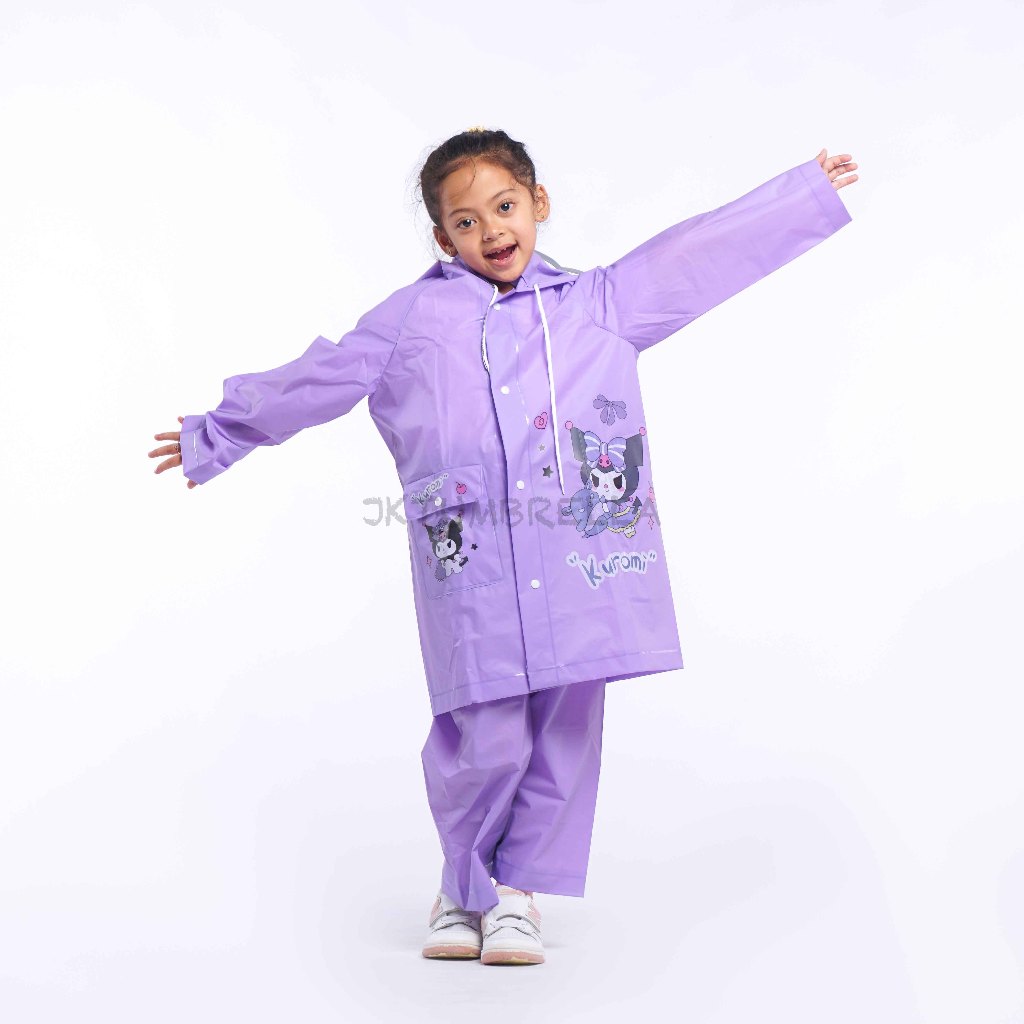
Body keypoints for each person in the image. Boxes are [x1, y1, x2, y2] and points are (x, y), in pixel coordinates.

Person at [149, 127, 858, 966]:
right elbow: (328, 374)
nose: (490, 230)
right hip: (475, 568)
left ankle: (515, 893)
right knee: (481, 736)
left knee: (562, 736)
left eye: (505, 206)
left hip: (578, 566)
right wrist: (220, 431)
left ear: (537, 203)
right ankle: (464, 885)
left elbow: (698, 254)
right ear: (442, 237)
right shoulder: (414, 319)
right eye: (465, 221)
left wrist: (804, 193)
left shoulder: (597, 304)